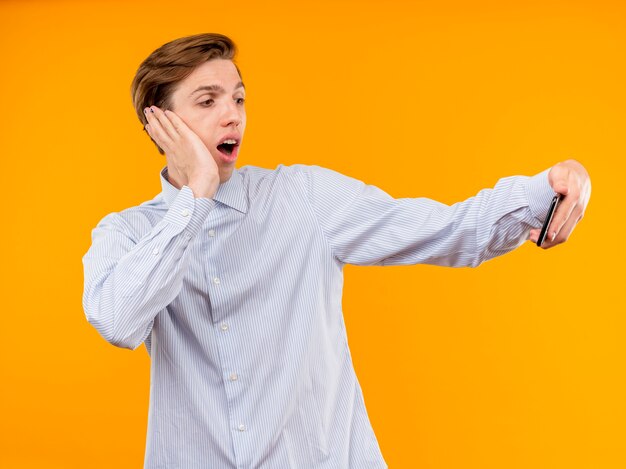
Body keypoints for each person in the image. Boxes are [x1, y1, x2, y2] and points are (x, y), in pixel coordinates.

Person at [81, 32, 591, 469]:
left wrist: (548, 189)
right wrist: (195, 197)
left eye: (238, 98)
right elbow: (118, 322)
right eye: (208, 101)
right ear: (158, 125)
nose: (232, 116)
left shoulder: (302, 197)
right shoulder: (127, 234)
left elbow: (445, 229)